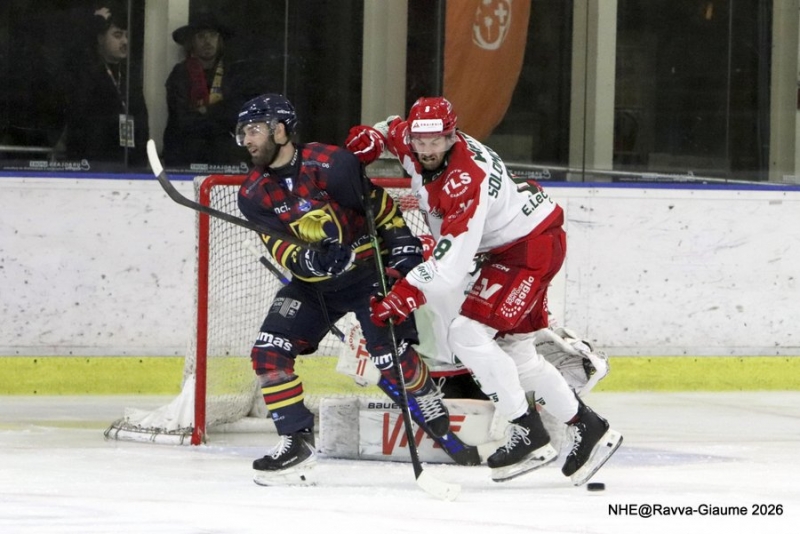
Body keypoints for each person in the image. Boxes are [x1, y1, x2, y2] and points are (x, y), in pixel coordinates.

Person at [345, 96, 623, 485]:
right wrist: (374, 138)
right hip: (519, 245)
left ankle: (526, 429)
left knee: (465, 334)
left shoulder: (465, 182)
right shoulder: (413, 138)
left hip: (527, 250)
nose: (426, 150)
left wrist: (403, 295)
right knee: (519, 357)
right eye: (420, 141)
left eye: (436, 142)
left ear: (452, 137)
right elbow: (391, 127)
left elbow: (450, 267)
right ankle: (588, 426)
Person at [234, 94, 478, 486]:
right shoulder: (253, 193)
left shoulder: (331, 165)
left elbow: (378, 206)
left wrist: (403, 249)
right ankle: (295, 441)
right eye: (244, 132)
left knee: (390, 359)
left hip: (367, 273)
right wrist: (312, 262)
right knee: (268, 353)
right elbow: (280, 247)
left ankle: (424, 394)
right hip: (313, 287)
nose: (247, 139)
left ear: (280, 131)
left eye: (255, 130)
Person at [63, 5, 149, 166]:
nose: (125, 41)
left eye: (127, 36)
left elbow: (142, 123)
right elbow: (81, 123)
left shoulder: (129, 74)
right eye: (117, 35)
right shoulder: (85, 73)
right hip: (95, 162)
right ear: (100, 38)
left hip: (128, 162)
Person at [163, 13, 246, 167]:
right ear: (192, 42)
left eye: (212, 35)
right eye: (201, 36)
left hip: (223, 157)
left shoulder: (231, 73)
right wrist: (219, 113)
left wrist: (204, 111)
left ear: (219, 40)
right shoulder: (180, 73)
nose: (208, 41)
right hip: (185, 156)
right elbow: (183, 120)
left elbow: (236, 114)